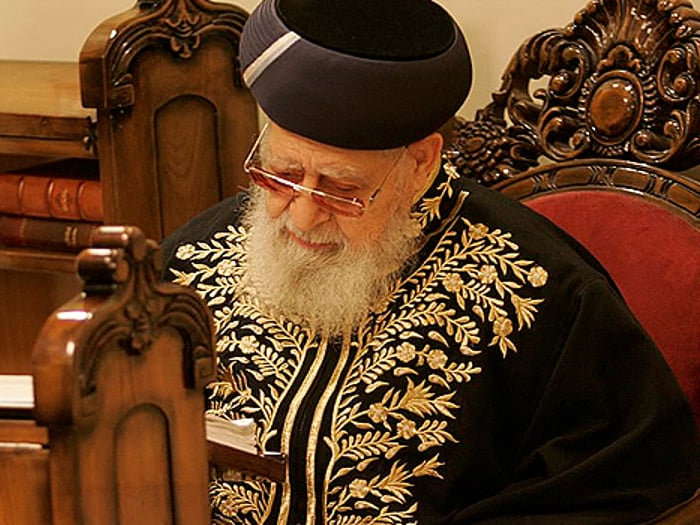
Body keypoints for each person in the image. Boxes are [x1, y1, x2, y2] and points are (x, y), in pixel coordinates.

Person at [161, 0, 700, 523]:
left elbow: (630, 484)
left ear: (421, 163)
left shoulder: (541, 294)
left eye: (341, 191)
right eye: (281, 176)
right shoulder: (190, 261)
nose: (301, 216)